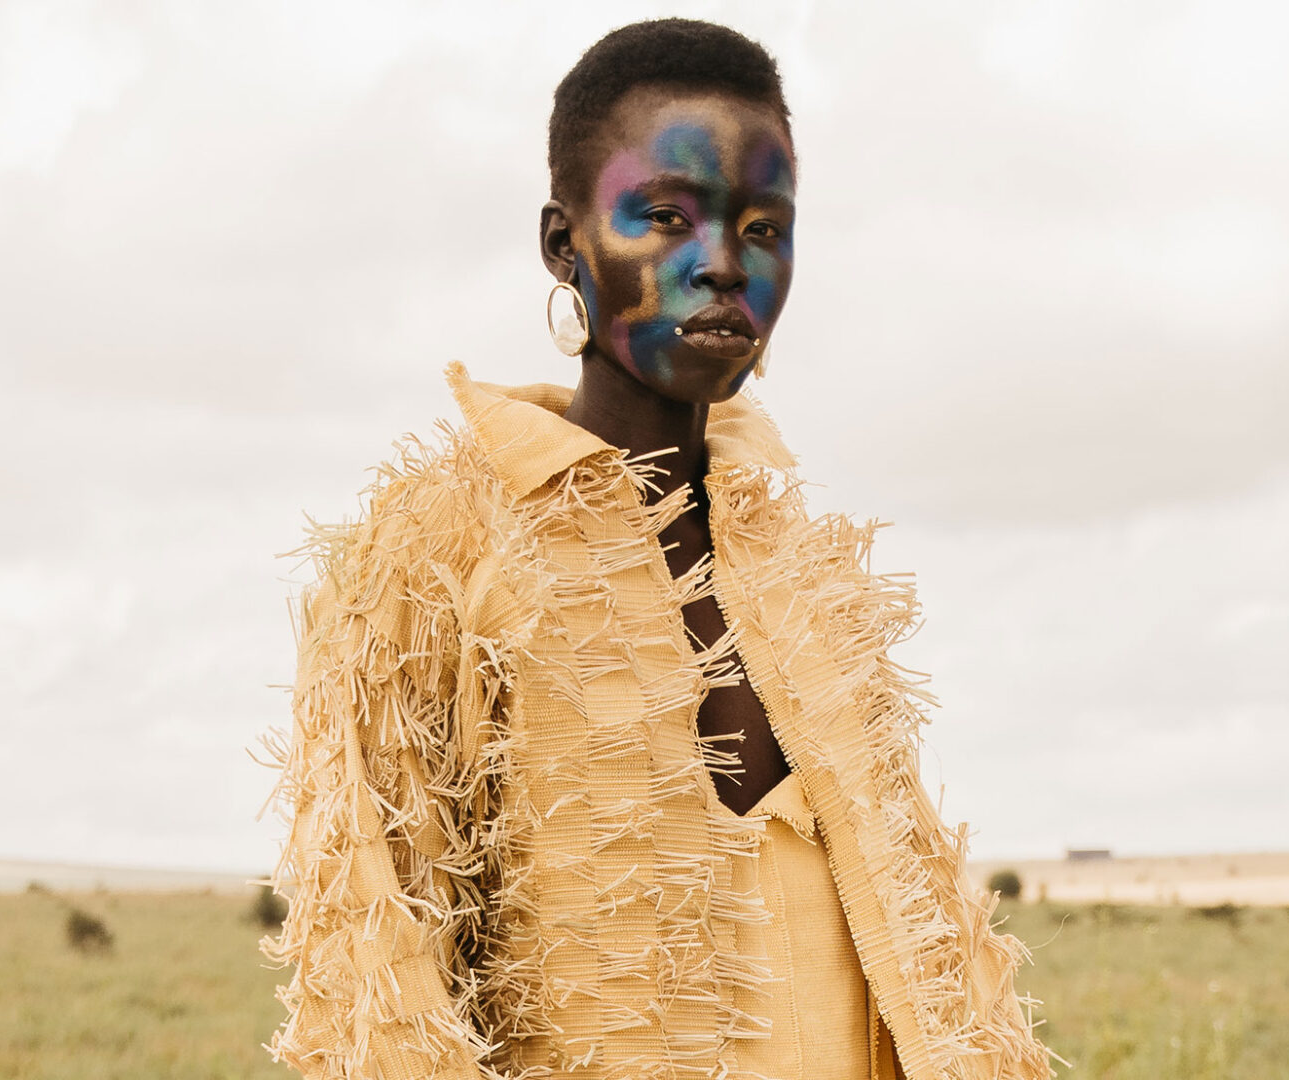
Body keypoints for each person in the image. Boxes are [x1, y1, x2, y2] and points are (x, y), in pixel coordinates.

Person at [263, 18, 1052, 1080]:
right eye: (668, 217)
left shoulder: (809, 578)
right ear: (565, 243)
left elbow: (933, 962)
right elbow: (378, 978)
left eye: (763, 228)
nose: (723, 265)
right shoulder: (431, 560)